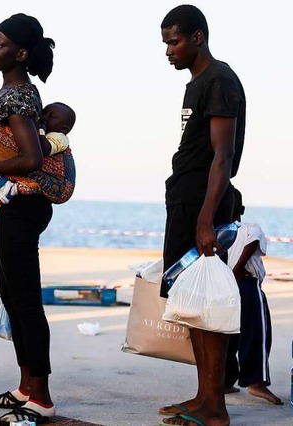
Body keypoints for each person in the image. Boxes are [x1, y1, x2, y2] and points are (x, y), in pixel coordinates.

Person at [0, 13, 74, 425]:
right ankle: (25, 387)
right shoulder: (13, 92)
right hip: (15, 207)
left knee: (25, 302)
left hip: (24, 207)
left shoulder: (20, 97)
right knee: (12, 297)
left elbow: (31, 158)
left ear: (21, 53)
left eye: (0, 44)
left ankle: (40, 399)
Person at [157, 5, 246, 426]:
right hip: (188, 199)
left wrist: (206, 219)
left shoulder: (220, 81)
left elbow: (223, 158)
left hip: (203, 202)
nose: (169, 50)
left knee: (207, 304)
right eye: (165, 43)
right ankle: (203, 397)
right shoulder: (196, 83)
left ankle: (216, 408)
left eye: (174, 41)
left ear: (197, 37)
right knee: (192, 301)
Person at [224, 188, 282, 405]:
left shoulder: (215, 231)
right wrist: (238, 270)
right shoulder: (249, 227)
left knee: (228, 335)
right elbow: (253, 241)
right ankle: (256, 382)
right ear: (242, 209)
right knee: (256, 331)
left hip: (224, 287)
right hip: (245, 284)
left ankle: (225, 380)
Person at [0, 101, 76, 203]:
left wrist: (41, 130)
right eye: (44, 112)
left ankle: (13, 190)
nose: (45, 117)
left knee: (35, 182)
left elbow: (44, 149)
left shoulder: (60, 138)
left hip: (60, 185)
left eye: (52, 116)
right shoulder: (44, 133)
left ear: (64, 129)